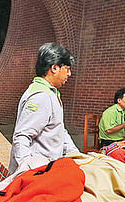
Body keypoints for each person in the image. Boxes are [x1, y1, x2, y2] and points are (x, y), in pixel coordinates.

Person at [9, 42, 79, 173]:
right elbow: (22, 136)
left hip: (48, 169)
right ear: (54, 68)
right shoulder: (41, 96)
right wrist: (27, 170)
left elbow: (59, 130)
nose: (69, 74)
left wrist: (75, 154)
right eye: (67, 69)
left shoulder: (51, 93)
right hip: (37, 171)